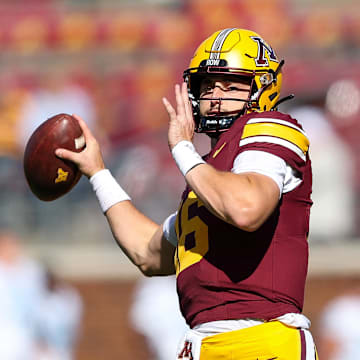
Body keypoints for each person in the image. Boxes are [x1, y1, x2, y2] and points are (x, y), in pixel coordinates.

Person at [55, 28, 317, 359]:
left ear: (262, 86)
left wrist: (181, 148)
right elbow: (147, 254)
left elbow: (246, 208)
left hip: (260, 341)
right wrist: (98, 173)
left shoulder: (270, 127)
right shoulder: (207, 177)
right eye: (207, 85)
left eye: (230, 83)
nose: (216, 95)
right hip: (200, 345)